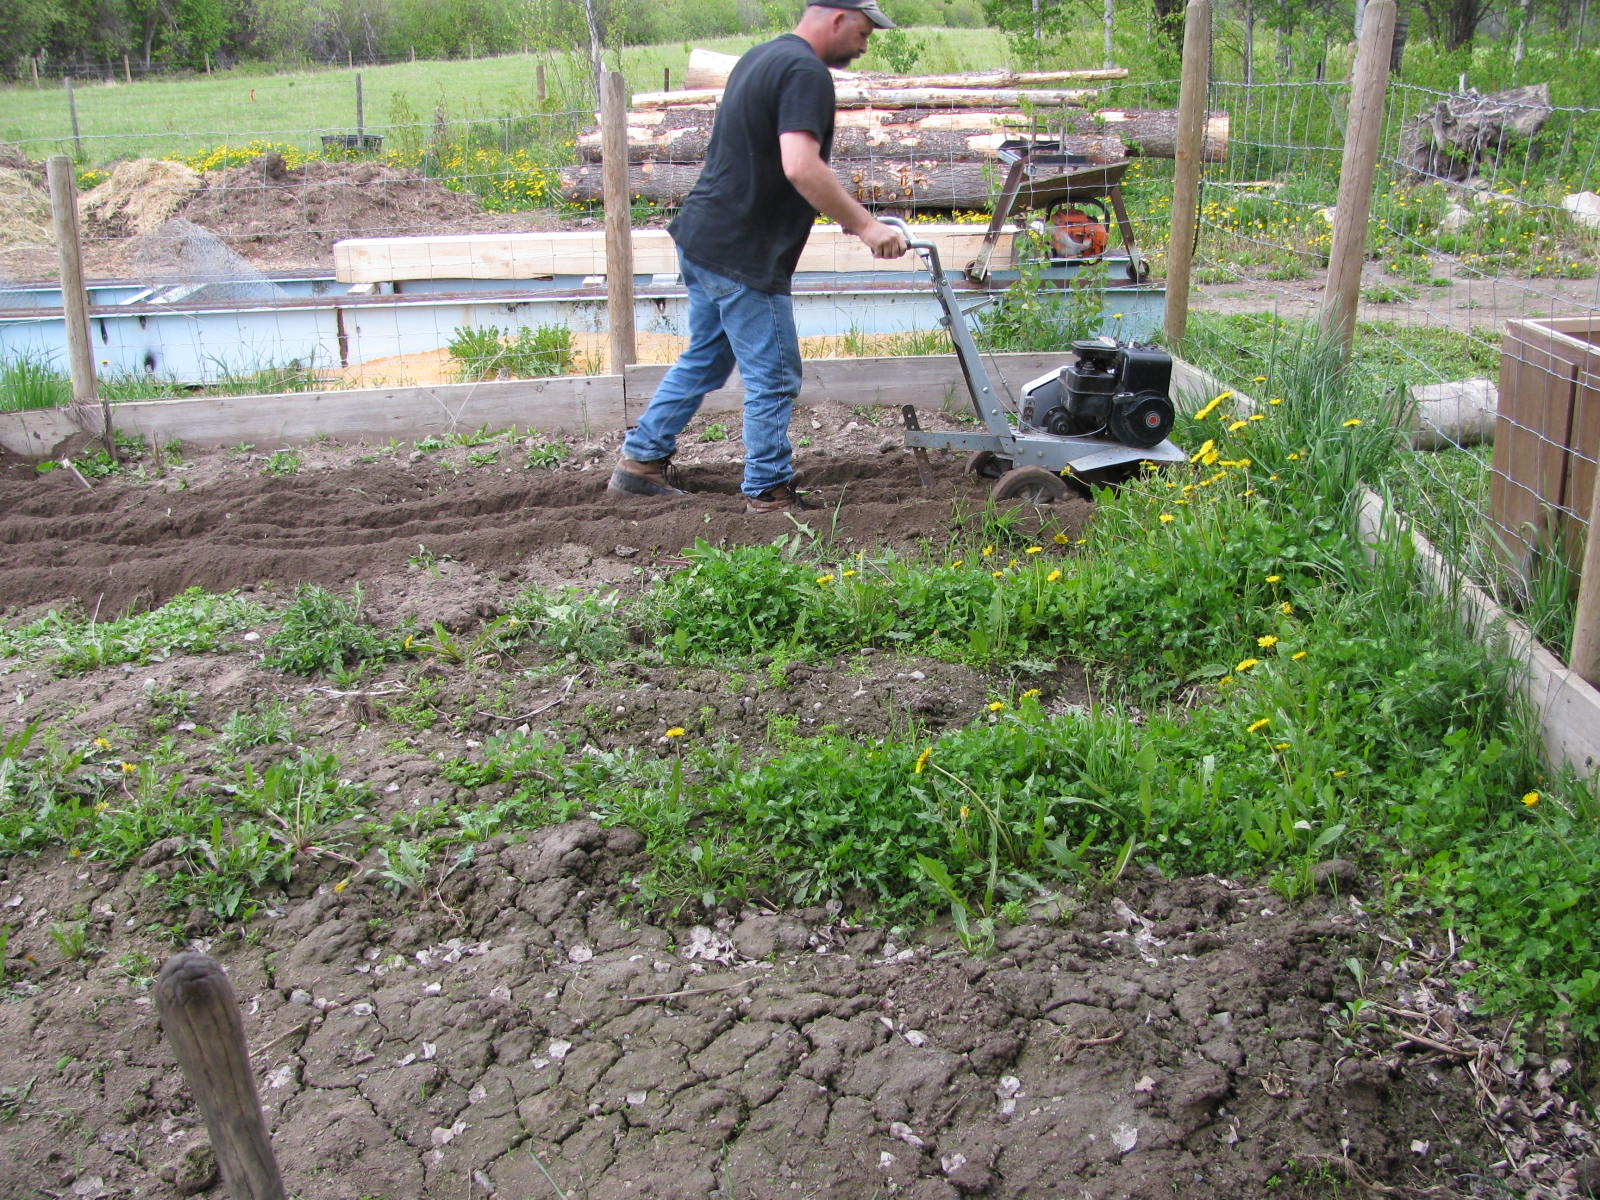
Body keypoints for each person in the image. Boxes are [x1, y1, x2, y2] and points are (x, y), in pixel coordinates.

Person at [608, 0, 909, 515]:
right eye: (863, 32)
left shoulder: (760, 57)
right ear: (837, 19)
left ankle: (640, 462)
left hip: (705, 236)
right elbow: (799, 165)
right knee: (774, 375)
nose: (864, 45)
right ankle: (768, 492)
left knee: (706, 357)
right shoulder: (806, 72)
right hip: (743, 251)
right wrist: (866, 225)